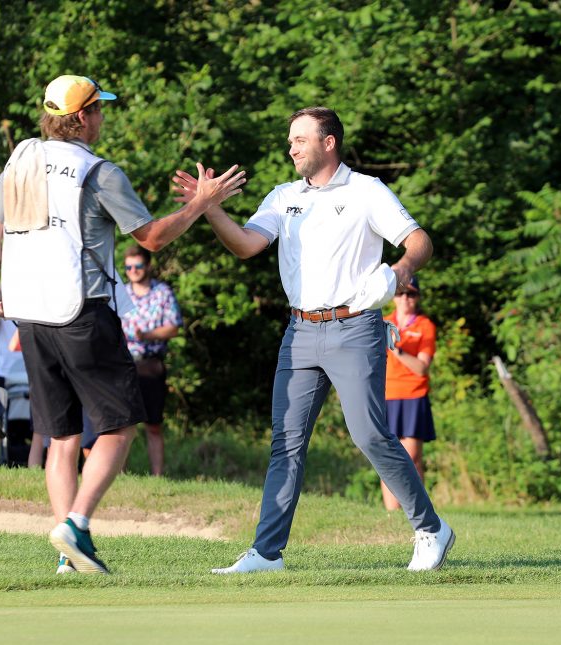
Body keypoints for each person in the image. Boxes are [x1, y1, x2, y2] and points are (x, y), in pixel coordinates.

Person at [0, 74, 246, 574]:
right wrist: (201, 203)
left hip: (29, 318)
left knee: (60, 438)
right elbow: (152, 239)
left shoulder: (18, 162)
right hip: (83, 313)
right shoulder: (98, 172)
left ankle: (67, 557)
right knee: (121, 426)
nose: (102, 117)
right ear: (81, 117)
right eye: (98, 109)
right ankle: (76, 525)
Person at [175, 106, 455, 573]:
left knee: (368, 435)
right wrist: (209, 207)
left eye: (300, 139)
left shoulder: (366, 190)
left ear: (329, 143)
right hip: (300, 331)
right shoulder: (284, 197)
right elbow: (246, 245)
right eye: (290, 139)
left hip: (355, 327)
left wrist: (400, 270)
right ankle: (267, 553)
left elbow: (419, 241)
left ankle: (431, 530)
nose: (291, 147)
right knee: (286, 442)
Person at [121, 245, 182, 476]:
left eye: (137, 266)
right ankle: (120, 475)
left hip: (151, 363)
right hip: (125, 363)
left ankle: (157, 475)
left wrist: (148, 335)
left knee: (153, 424)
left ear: (147, 266)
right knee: (123, 423)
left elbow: (174, 327)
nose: (133, 270)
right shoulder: (121, 293)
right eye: (128, 267)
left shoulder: (162, 292)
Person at [381, 276, 437, 509]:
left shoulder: (424, 326)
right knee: (386, 458)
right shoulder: (382, 322)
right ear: (393, 297)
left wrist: (397, 349)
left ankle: (416, 510)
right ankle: (391, 513)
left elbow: (422, 367)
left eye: (411, 293)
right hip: (386, 395)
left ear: (418, 298)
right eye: (401, 293)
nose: (405, 298)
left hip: (414, 395)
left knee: (411, 458)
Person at [0, 307, 46, 467]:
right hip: (6, 374)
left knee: (40, 427)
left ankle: (38, 463)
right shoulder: (3, 294)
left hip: (38, 370)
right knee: (7, 426)